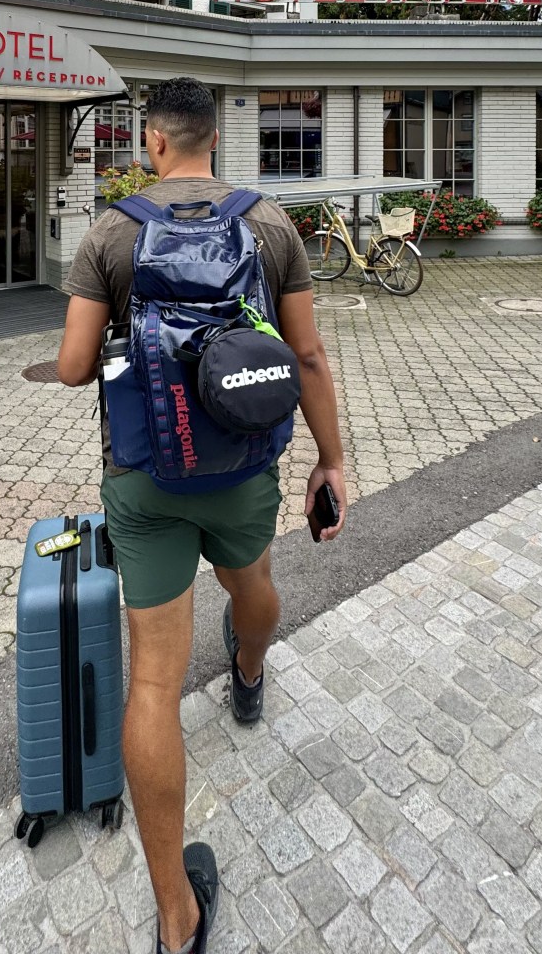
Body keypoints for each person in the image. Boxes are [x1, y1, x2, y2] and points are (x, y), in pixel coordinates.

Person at [58, 77, 346, 954]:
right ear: (213, 139)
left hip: (145, 478)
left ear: (152, 142)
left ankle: (176, 916)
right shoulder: (272, 225)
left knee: (154, 677)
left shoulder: (112, 231)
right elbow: (305, 354)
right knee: (252, 580)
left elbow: (74, 368)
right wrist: (331, 461)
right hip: (246, 465)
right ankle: (250, 672)